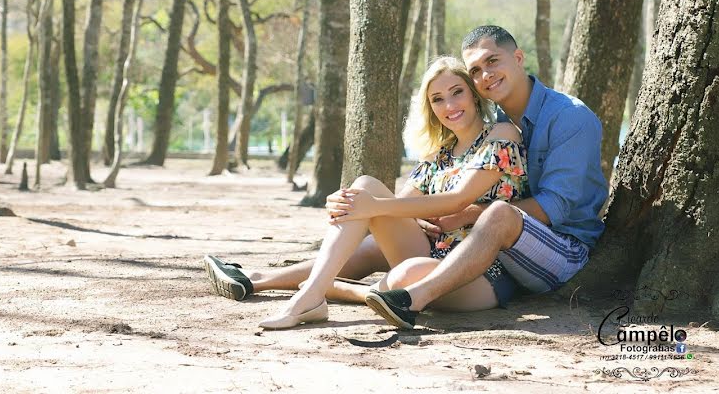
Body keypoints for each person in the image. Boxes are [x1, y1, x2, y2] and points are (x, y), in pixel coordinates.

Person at [209, 56, 528, 328]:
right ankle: (310, 295)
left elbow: (457, 199)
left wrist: (372, 206)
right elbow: (401, 206)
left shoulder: (501, 134)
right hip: (431, 249)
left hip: (481, 270)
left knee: (406, 273)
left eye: (457, 92)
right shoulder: (439, 154)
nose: (450, 105)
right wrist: (353, 203)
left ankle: (341, 290)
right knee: (363, 186)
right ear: (430, 108)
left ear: (474, 95)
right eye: (438, 99)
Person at [364, 25, 607, 328]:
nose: (485, 75)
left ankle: (410, 300)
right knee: (375, 246)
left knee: (499, 214)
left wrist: (467, 214)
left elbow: (552, 209)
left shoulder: (570, 116)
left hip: (564, 248)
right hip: (499, 249)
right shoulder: (499, 125)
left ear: (518, 57)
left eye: (493, 61)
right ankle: (307, 286)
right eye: (475, 70)